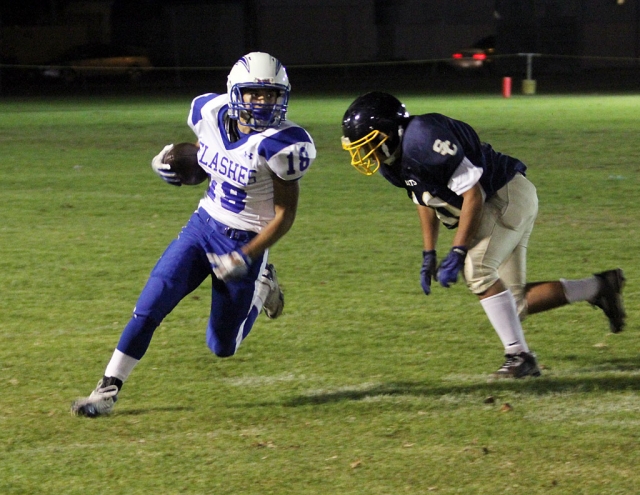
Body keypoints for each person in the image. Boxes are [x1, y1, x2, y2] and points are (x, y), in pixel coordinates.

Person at [71, 52, 316, 416]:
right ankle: (107, 389)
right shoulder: (209, 112)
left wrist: (247, 255)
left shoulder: (283, 144)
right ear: (236, 93)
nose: (264, 102)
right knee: (149, 306)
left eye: (272, 95)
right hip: (202, 226)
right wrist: (171, 158)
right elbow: (207, 156)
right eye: (255, 94)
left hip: (244, 240)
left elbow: (285, 214)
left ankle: (262, 284)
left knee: (222, 346)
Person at [340, 91, 626, 378]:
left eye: (369, 143)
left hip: (503, 196)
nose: (366, 153)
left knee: (477, 270)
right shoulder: (395, 160)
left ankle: (519, 357)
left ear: (390, 131)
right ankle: (599, 287)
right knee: (512, 304)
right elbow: (423, 200)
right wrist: (429, 253)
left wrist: (458, 250)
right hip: (500, 199)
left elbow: (473, 195)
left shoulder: (423, 137)